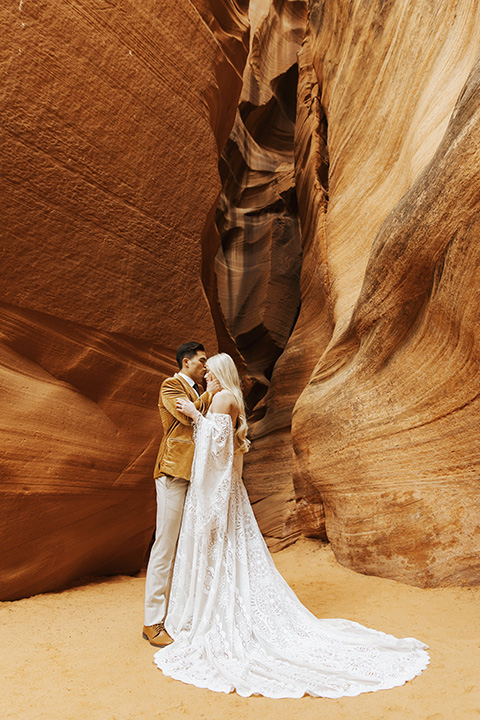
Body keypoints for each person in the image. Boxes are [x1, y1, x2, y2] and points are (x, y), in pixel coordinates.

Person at [152, 352, 430, 698]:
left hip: (216, 491)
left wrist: (195, 415)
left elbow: (219, 448)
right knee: (225, 552)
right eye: (203, 371)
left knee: (221, 550)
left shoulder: (222, 398)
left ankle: (215, 616)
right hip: (216, 489)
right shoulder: (221, 396)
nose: (206, 377)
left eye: (210, 372)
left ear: (220, 373)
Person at [143, 342, 220, 647]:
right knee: (165, 545)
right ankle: (152, 622)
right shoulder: (170, 385)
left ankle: (179, 615)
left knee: (189, 545)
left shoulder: (198, 392)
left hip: (194, 476)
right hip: (173, 474)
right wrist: (210, 394)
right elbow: (188, 419)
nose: (205, 367)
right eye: (202, 361)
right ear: (186, 362)